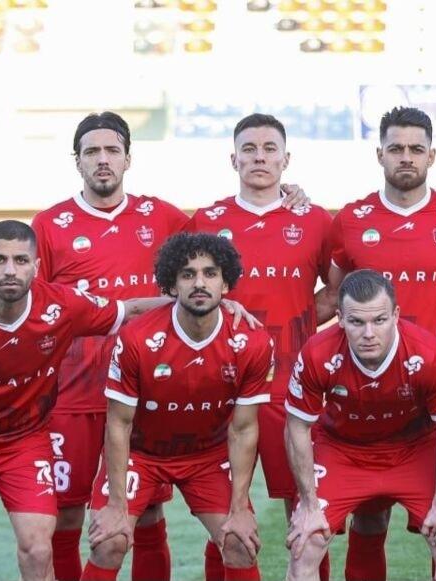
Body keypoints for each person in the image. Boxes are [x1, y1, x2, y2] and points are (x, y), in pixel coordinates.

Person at [0, 220, 164, 581]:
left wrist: (207, 304)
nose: (10, 270)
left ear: (36, 266)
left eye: (21, 260)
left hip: (23, 442)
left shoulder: (62, 305)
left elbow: (129, 311)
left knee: (38, 549)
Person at [315, 106, 436, 581]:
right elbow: (336, 295)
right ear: (379, 154)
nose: (405, 157)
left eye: (415, 149)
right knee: (370, 517)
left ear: (432, 155)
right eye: (396, 148)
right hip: (369, 389)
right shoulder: (351, 220)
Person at [31, 111, 188, 581]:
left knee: (147, 512)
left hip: (144, 394)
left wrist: (285, 194)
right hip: (73, 396)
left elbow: (225, 238)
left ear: (128, 159)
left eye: (112, 150)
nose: (103, 159)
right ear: (77, 161)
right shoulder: (49, 225)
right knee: (66, 515)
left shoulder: (163, 217)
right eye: (92, 151)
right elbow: (35, 311)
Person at [185, 112, 335, 579]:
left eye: (270, 149)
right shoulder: (207, 221)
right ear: (233, 159)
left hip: (292, 388)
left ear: (286, 159)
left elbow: (338, 291)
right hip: (220, 388)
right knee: (223, 512)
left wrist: (300, 322)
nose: (259, 157)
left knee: (306, 511)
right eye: (248, 149)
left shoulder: (315, 220)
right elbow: (184, 294)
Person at [81, 232, 273, 581]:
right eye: (187, 274)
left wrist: (240, 508)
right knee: (109, 541)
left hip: (208, 456)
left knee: (239, 542)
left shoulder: (253, 341)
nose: (199, 283)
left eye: (210, 273)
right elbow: (119, 423)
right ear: (171, 285)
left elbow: (244, 428)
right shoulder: (137, 337)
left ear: (226, 284)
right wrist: (116, 506)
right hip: (142, 455)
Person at [284, 270, 436, 581]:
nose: (368, 333)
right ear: (340, 319)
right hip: (342, 450)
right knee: (306, 542)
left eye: (379, 320)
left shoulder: (427, 352)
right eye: (357, 322)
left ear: (395, 315)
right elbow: (297, 427)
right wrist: (309, 505)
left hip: (413, 449)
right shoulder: (318, 353)